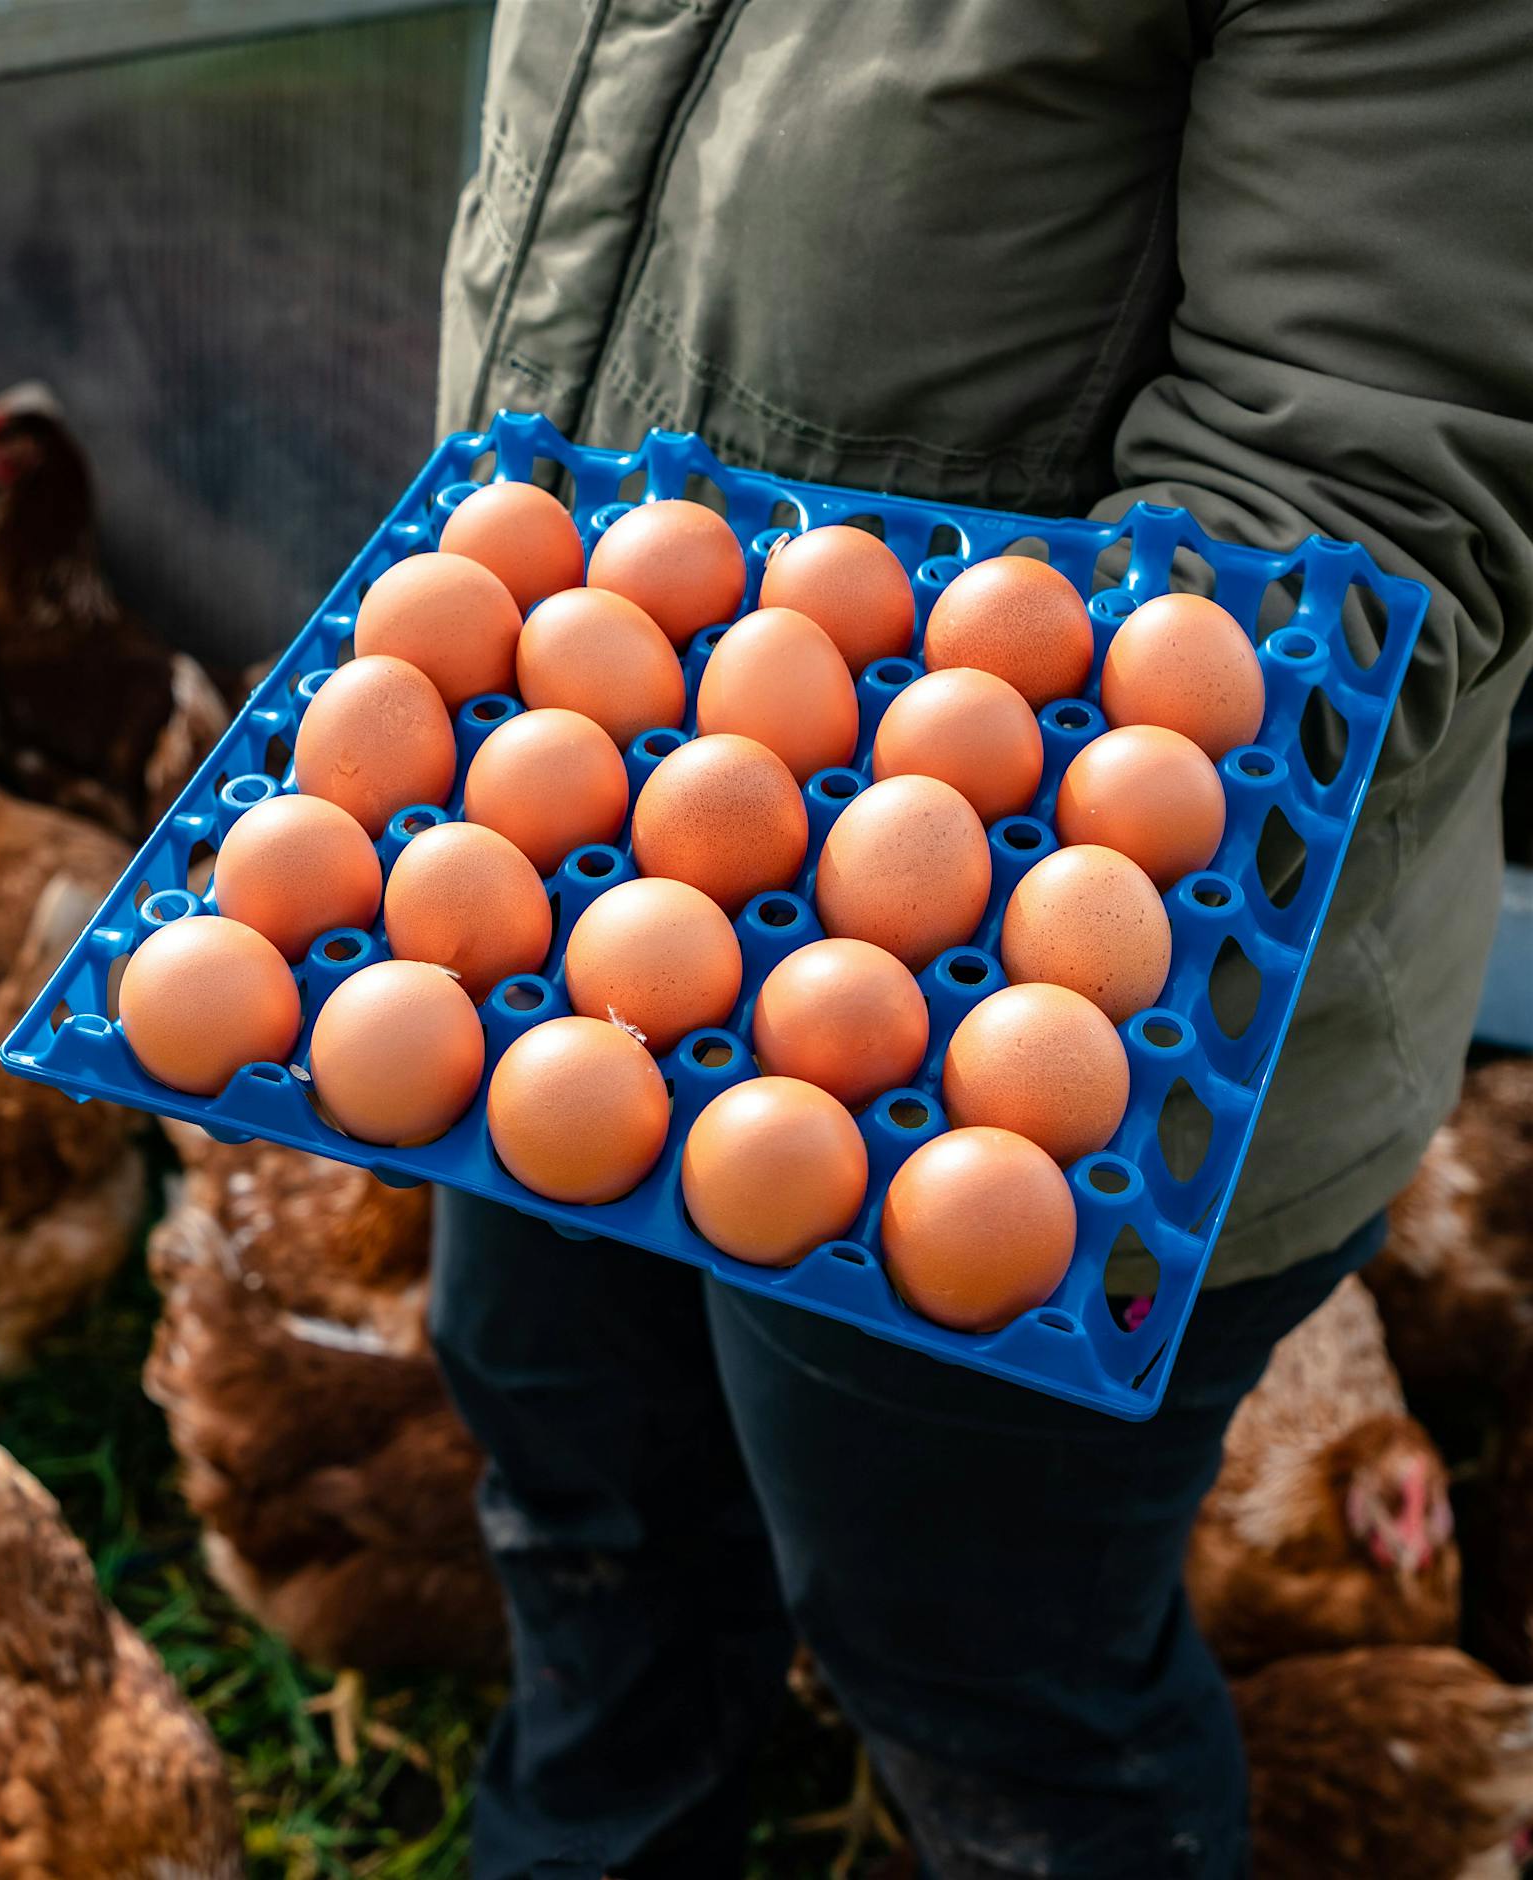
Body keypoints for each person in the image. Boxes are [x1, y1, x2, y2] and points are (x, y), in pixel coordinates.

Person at [427, 4, 1533, 1876]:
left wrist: (946, 825)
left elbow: (1366, 476)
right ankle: (601, 1827)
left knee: (979, 1648)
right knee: (580, 1452)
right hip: (569, 872)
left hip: (1068, 1039)